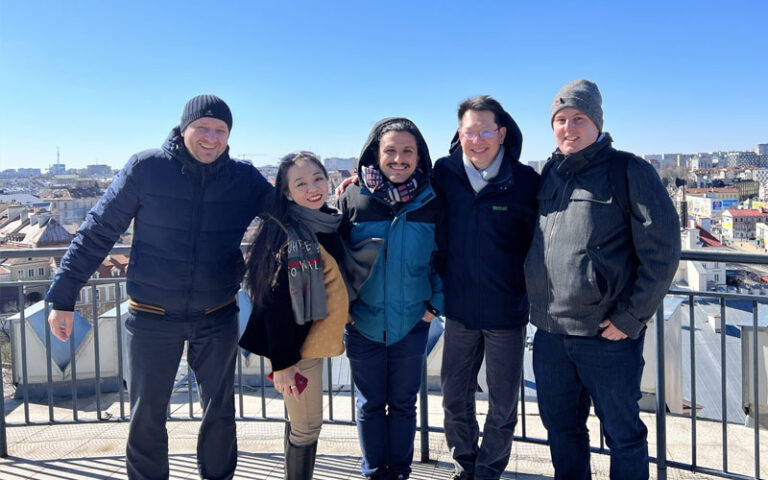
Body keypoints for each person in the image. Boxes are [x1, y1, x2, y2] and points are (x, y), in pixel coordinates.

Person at [46, 95, 271, 480]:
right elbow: (97, 232)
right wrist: (62, 297)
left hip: (217, 315)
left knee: (220, 413)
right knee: (147, 416)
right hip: (151, 316)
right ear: (183, 128)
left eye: (221, 131)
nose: (211, 138)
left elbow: (288, 209)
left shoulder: (243, 179)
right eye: (203, 128)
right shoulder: (147, 168)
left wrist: (338, 197)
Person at [525, 79, 680, 480]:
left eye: (578, 118)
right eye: (560, 119)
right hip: (550, 333)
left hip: (605, 336)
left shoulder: (628, 170)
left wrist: (632, 318)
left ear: (597, 122)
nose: (568, 127)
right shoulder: (549, 174)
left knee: (622, 434)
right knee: (562, 430)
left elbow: (662, 252)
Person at [432, 95, 540, 480]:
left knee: (504, 402)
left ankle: (489, 471)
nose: (477, 140)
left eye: (485, 131)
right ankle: (465, 464)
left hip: (506, 313)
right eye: (469, 132)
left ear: (502, 133)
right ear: (459, 134)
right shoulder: (443, 174)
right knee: (453, 398)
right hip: (458, 310)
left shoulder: (525, 181)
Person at [338, 117, 443, 480]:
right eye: (390, 151)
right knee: (369, 405)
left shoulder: (432, 198)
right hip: (362, 322)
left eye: (407, 151)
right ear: (375, 154)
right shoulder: (353, 197)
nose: (399, 159)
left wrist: (434, 307)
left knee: (402, 405)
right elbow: (335, 259)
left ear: (419, 156)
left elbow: (445, 257)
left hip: (412, 323)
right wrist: (344, 310)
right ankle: (373, 473)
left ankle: (399, 472)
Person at [238, 152, 349, 480]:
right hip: (294, 350)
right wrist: (283, 365)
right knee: (307, 426)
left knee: (300, 422)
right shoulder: (285, 234)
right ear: (286, 193)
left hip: (311, 338)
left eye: (318, 179)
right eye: (301, 183)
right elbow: (272, 304)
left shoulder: (327, 220)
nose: (313, 188)